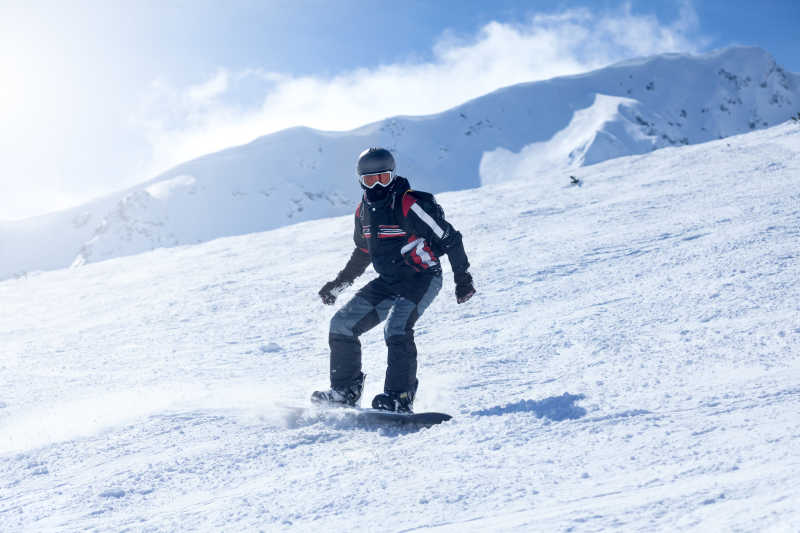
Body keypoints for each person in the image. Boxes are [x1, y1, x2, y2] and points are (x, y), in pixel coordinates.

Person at [311, 147, 475, 413]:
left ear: (393, 176)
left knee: (397, 329)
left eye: (383, 179)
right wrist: (338, 285)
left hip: (422, 277)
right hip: (388, 281)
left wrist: (463, 278)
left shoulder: (409, 204)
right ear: (360, 180)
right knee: (341, 325)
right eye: (370, 180)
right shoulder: (363, 211)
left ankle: (400, 397)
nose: (377, 186)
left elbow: (450, 238)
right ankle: (346, 391)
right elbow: (364, 252)